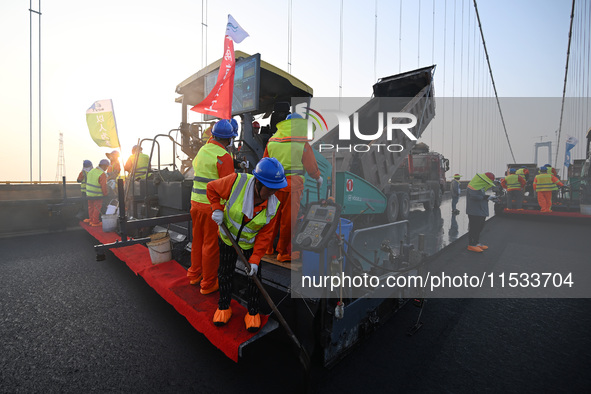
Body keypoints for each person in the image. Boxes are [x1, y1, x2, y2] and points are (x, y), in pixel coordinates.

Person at [206, 157, 286, 332]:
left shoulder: (273, 205)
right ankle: (224, 307)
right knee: (225, 273)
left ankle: (253, 312)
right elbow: (211, 188)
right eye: (270, 189)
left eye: (276, 189)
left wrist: (256, 260)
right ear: (258, 182)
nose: (273, 193)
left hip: (249, 245)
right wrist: (216, 208)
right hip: (228, 239)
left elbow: (265, 235)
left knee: (255, 278)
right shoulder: (236, 181)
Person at [263, 113, 322, 262]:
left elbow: (264, 164)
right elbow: (311, 166)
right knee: (289, 221)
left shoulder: (271, 142)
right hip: (293, 186)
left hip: (274, 186)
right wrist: (318, 177)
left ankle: (267, 248)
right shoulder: (302, 143)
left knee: (271, 216)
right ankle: (284, 253)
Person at [188, 119, 235, 294]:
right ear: (229, 139)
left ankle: (194, 275)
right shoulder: (224, 156)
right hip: (211, 208)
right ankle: (208, 284)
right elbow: (228, 187)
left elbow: (197, 169)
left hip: (195, 203)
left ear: (213, 135)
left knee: (197, 240)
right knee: (210, 245)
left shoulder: (202, 150)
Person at [466, 172, 496, 253]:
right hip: (474, 211)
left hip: (480, 211)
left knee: (479, 227)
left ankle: (476, 242)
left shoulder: (480, 186)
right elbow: (475, 197)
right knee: (474, 228)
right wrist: (487, 197)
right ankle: (471, 245)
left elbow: (481, 196)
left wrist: (489, 197)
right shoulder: (472, 186)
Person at [86, 159, 110, 226]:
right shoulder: (102, 174)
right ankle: (95, 222)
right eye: (107, 167)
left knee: (90, 207)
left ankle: (91, 220)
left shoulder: (92, 171)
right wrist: (105, 195)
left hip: (89, 194)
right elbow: (103, 186)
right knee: (96, 208)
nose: (106, 168)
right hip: (97, 194)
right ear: (104, 166)